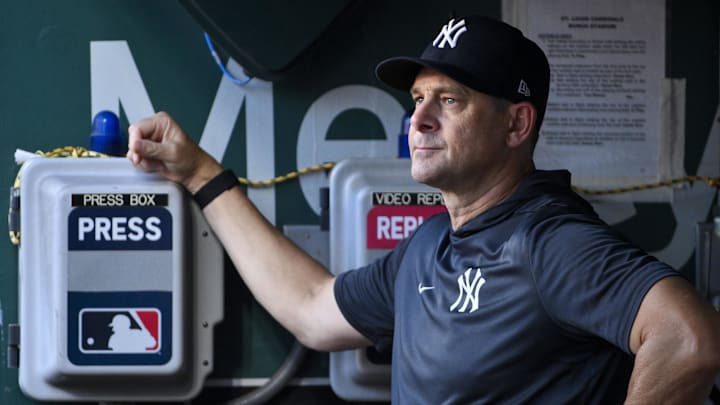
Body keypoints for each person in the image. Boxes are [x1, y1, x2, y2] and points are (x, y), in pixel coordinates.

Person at [127, 15, 720, 404]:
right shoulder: (429, 246)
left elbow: (688, 339)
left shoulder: (550, 241)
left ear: (517, 123)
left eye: (450, 100)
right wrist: (200, 174)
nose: (420, 120)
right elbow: (309, 308)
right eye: (416, 100)